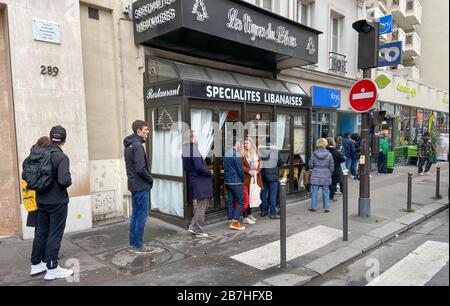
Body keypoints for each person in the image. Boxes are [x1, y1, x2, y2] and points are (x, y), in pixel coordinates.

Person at [30, 126, 74, 280]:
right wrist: (68, 178)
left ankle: (36, 264)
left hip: (41, 200)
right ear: (64, 140)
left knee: (41, 232)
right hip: (57, 202)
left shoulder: (39, 153)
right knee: (54, 234)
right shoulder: (62, 157)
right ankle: (52, 268)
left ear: (50, 137)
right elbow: (64, 181)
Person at [123, 120, 155, 254]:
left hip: (134, 184)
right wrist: (150, 179)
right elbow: (140, 169)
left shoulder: (129, 145)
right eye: (146, 129)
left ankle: (133, 243)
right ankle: (139, 245)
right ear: (138, 131)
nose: (148, 132)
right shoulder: (137, 146)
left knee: (135, 215)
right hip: (141, 186)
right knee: (141, 216)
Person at [24, 136, 51, 275]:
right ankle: (40, 259)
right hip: (40, 200)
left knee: (40, 231)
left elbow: (25, 180)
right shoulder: (42, 160)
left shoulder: (28, 159)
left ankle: (41, 258)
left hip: (32, 201)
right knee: (42, 232)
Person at [182, 130, 212, 238]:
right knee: (202, 206)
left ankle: (192, 227)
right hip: (201, 181)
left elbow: (187, 168)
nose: (198, 137)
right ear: (192, 138)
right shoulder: (193, 149)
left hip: (195, 180)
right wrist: (209, 172)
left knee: (201, 205)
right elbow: (199, 166)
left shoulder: (185, 150)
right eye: (196, 136)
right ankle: (199, 230)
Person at [224, 137, 246, 230]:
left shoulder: (226, 154)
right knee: (241, 200)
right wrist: (243, 179)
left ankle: (230, 220)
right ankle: (235, 221)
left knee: (231, 201)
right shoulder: (236, 154)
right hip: (236, 181)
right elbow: (240, 169)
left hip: (228, 181)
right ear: (236, 143)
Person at [260, 139, 284, 219]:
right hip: (273, 176)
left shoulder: (261, 151)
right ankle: (273, 213)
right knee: (273, 195)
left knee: (263, 194)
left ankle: (263, 211)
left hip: (263, 175)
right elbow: (281, 162)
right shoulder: (275, 151)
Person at [241, 137, 263, 224]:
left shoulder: (257, 152)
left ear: (251, 144)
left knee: (253, 196)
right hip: (247, 178)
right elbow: (241, 166)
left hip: (256, 178)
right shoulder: (242, 154)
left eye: (247, 143)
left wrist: (257, 171)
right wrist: (248, 171)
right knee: (246, 197)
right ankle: (245, 216)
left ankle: (250, 214)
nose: (246, 145)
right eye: (245, 143)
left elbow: (261, 164)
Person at [308, 138, 334, 213]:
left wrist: (314, 168)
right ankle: (326, 208)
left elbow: (310, 165)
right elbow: (332, 166)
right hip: (326, 173)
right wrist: (329, 173)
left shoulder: (314, 153)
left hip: (315, 173)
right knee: (326, 191)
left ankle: (313, 207)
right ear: (325, 144)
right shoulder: (329, 154)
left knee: (314, 191)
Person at [326, 137, 345, 203]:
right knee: (333, 184)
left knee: (327, 184)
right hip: (335, 169)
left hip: (325, 169)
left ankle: (326, 197)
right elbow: (343, 159)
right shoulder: (335, 151)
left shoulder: (324, 150)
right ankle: (331, 198)